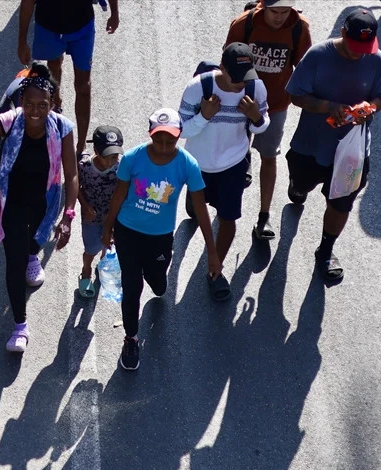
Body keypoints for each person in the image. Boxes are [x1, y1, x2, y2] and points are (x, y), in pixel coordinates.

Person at [0, 73, 78, 354]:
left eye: (42, 105)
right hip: (11, 203)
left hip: (45, 201)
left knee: (36, 240)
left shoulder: (63, 128)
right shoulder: (8, 122)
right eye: (30, 104)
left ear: (52, 104)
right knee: (14, 261)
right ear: (21, 102)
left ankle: (34, 253)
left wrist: (68, 216)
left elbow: (71, 175)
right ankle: (20, 326)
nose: (36, 111)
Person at [101, 109, 219, 372]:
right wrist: (108, 228)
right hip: (127, 232)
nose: (164, 147)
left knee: (156, 281)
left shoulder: (187, 164)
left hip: (160, 237)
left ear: (179, 137)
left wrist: (212, 252)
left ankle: (157, 277)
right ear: (150, 134)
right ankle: (131, 338)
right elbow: (119, 196)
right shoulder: (132, 158)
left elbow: (200, 209)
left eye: (171, 141)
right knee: (132, 287)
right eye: (159, 139)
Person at [284, 7, 381, 284]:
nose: (360, 52)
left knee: (341, 204)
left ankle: (326, 251)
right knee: (301, 183)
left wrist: (370, 109)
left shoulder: (376, 60)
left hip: (352, 154)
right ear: (342, 33)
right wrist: (329, 106)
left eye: (365, 46)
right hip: (311, 146)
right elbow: (296, 96)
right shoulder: (318, 56)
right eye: (355, 46)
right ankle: (298, 186)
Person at [178, 42, 269, 301]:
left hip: (233, 165)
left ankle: (214, 272)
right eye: (235, 79)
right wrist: (204, 115)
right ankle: (196, 202)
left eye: (245, 78)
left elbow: (263, 125)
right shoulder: (199, 87)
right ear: (222, 67)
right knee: (199, 209)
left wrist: (256, 117)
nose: (241, 85)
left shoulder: (255, 87)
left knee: (228, 219)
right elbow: (181, 130)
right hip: (198, 166)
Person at [224, 0, 312, 240]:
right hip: (240, 103)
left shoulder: (299, 28)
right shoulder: (244, 24)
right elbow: (227, 62)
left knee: (269, 157)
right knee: (233, 156)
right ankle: (225, 210)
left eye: (286, 12)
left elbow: (305, 68)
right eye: (275, 12)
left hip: (275, 106)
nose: (280, 17)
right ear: (263, 5)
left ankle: (264, 217)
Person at [16, 0, 119, 155]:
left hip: (82, 27)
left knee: (84, 87)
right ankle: (56, 104)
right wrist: (22, 41)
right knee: (54, 66)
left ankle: (81, 147)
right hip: (49, 27)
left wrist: (115, 13)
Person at [77, 124, 124, 298]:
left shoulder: (121, 168)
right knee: (91, 248)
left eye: (115, 156)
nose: (111, 161)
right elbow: (76, 188)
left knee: (109, 244)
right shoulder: (84, 167)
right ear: (96, 151)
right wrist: (84, 205)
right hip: (91, 219)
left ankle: (103, 265)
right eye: (107, 157)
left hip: (114, 217)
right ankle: (86, 270)